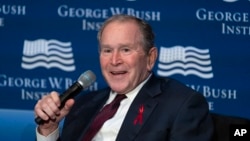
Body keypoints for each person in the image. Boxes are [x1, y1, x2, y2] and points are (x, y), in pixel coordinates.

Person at [34, 14, 214, 141]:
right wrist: (49, 129)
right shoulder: (83, 105)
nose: (114, 60)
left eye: (125, 50)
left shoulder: (181, 105)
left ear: (150, 58)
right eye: (107, 50)